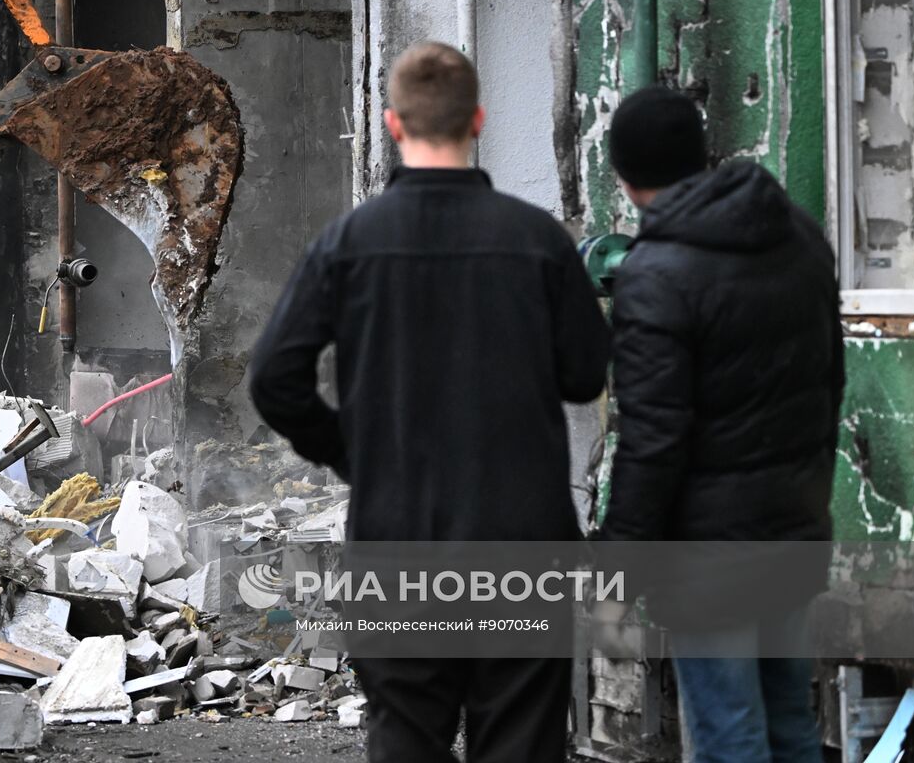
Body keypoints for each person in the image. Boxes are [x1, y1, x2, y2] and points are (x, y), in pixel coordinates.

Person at [249, 41, 611, 763]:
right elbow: (583, 376)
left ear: (392, 124)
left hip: (399, 537)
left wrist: (351, 452)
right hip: (522, 542)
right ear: (477, 119)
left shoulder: (348, 243)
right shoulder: (539, 241)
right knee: (523, 743)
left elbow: (274, 378)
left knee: (407, 740)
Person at [597, 86, 844, 763]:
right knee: (792, 724)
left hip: (708, 559)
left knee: (729, 737)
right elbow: (831, 384)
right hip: (792, 532)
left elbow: (651, 443)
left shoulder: (654, 274)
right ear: (702, 156)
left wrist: (615, 583)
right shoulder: (796, 232)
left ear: (625, 177)